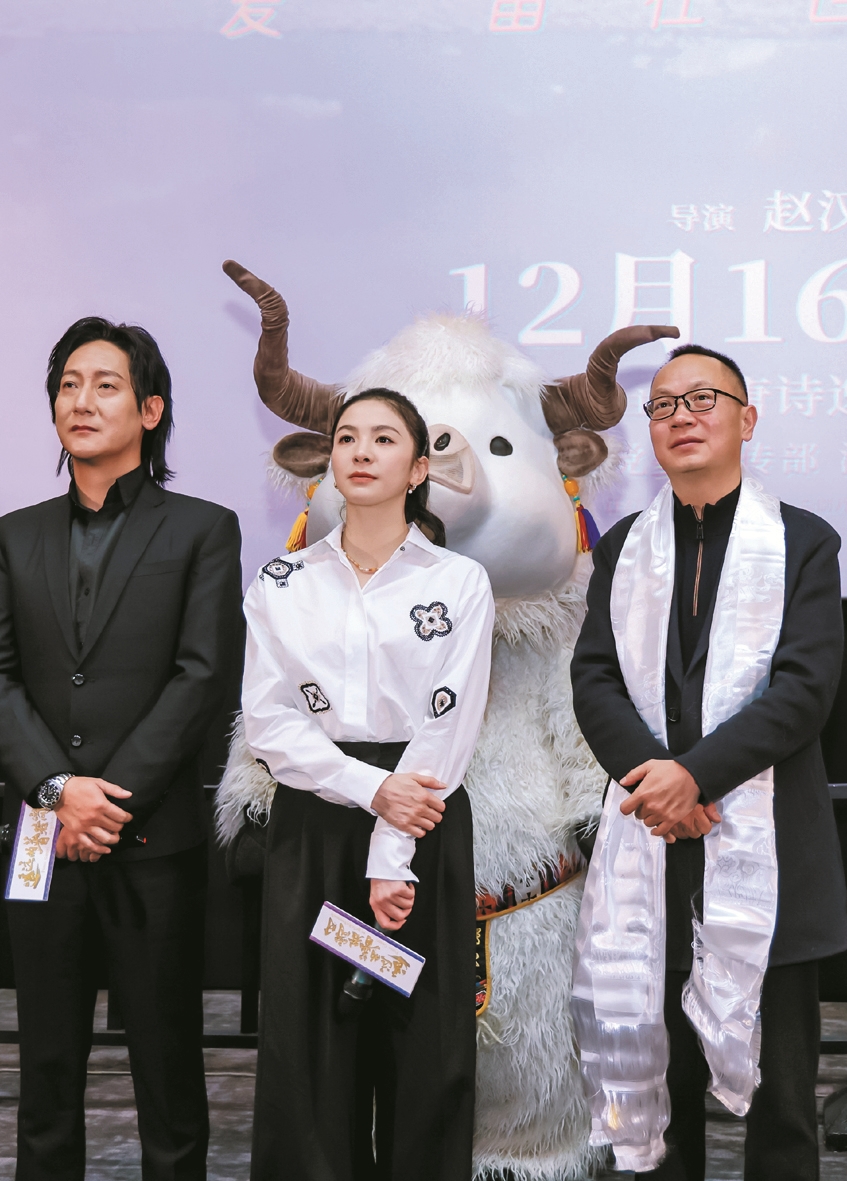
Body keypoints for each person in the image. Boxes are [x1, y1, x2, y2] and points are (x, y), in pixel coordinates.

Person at [0, 317, 244, 1181]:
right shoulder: (13, 535)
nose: (81, 401)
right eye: (68, 384)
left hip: (149, 833)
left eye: (105, 384)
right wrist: (58, 789)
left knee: (167, 1064)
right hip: (43, 832)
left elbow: (202, 676)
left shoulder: (203, 529)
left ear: (150, 409)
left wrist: (106, 797)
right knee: (45, 1064)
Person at [570, 343, 847, 1181]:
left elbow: (804, 689)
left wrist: (694, 776)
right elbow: (594, 678)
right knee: (660, 1103)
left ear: (747, 418)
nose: (681, 417)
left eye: (703, 400)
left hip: (771, 861)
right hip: (650, 852)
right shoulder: (625, 546)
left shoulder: (803, 540)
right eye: (663, 405)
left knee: (782, 1105)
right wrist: (658, 779)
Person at [232, 387, 494, 1181]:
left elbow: (449, 722)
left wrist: (390, 850)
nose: (361, 451)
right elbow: (269, 722)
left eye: (384, 439)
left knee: (424, 1050)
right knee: (309, 1047)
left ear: (418, 469)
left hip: (423, 821)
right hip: (316, 822)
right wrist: (368, 788)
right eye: (347, 437)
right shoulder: (283, 580)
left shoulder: (459, 581)